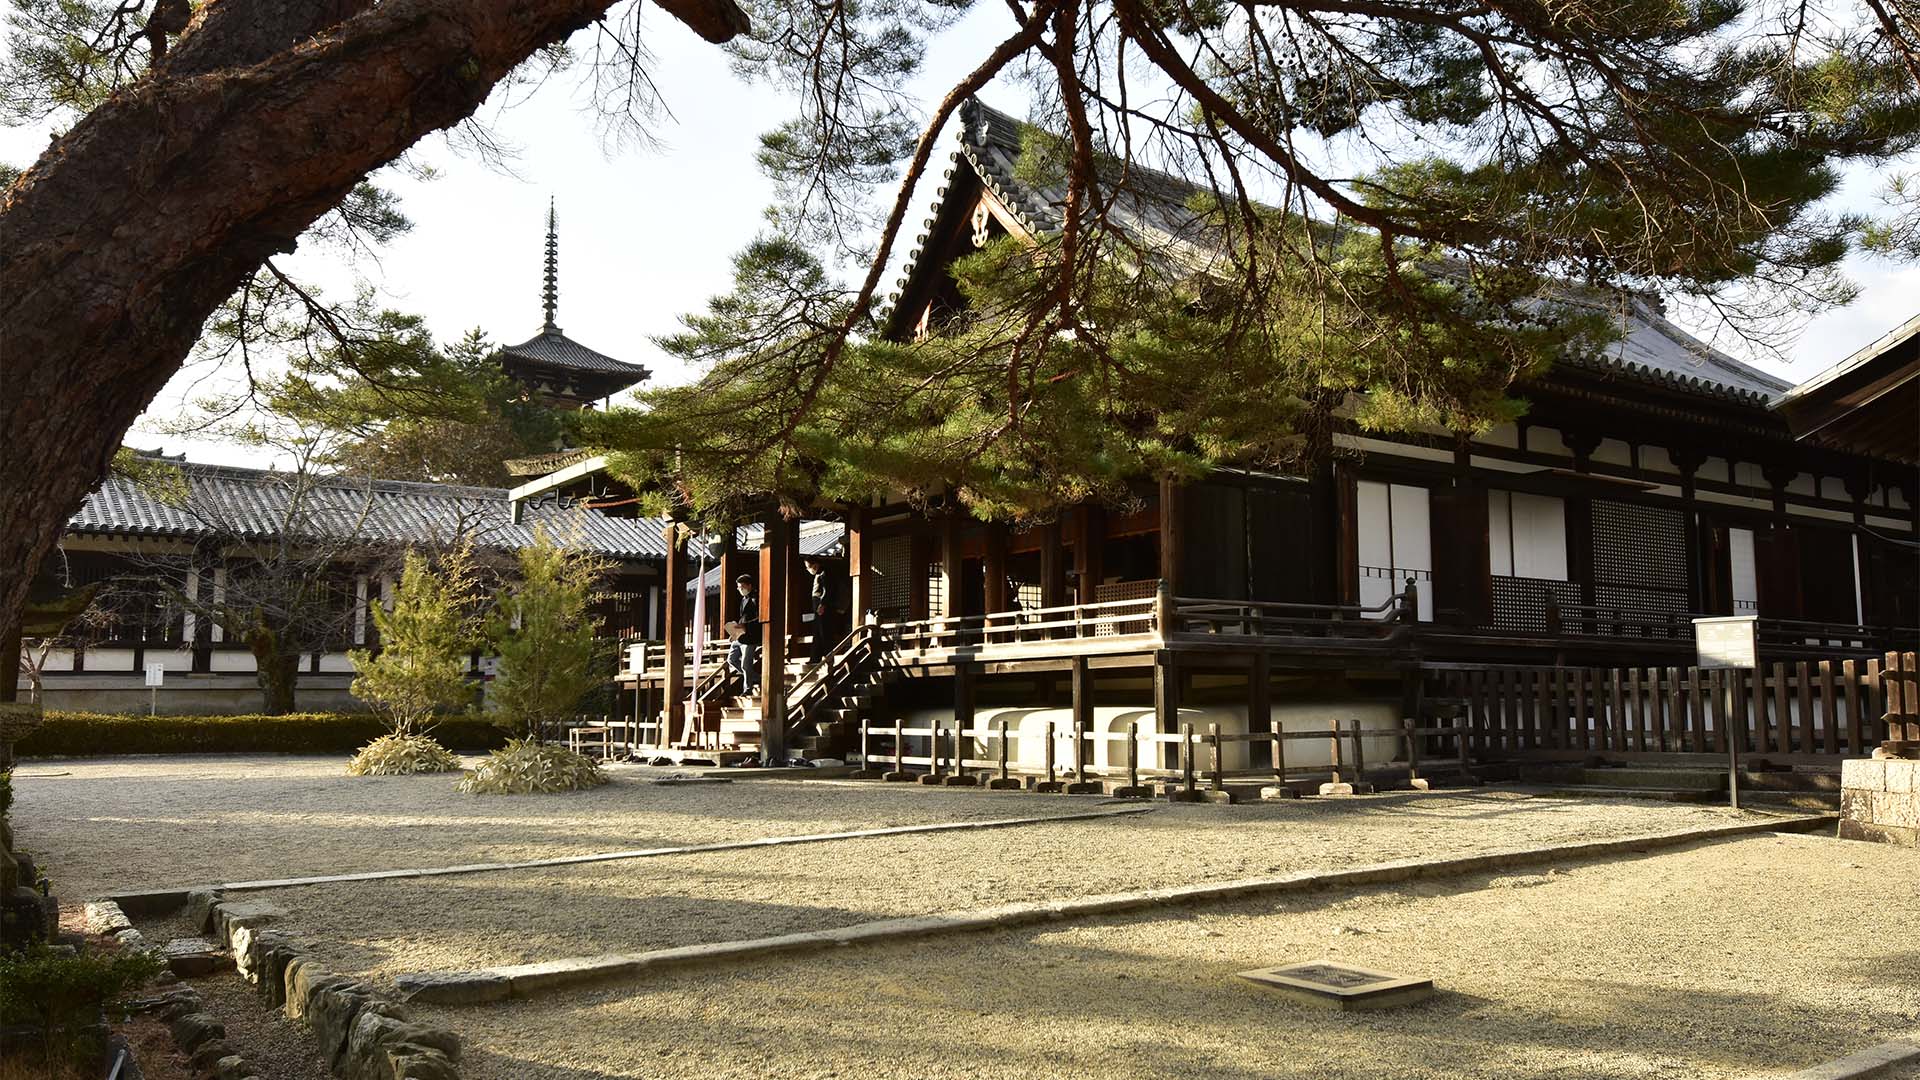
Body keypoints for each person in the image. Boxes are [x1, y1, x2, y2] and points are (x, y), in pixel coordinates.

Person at [726, 574, 760, 695]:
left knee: (746, 664)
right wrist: (734, 633)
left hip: (751, 636)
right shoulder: (743, 599)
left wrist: (745, 626)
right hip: (740, 635)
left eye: (742, 586)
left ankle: (748, 688)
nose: (740, 589)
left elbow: (759, 618)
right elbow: (742, 618)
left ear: (749, 585)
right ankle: (755, 677)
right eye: (739, 587)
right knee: (731, 659)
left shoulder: (756, 598)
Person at [804, 556, 839, 666]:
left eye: (809, 567)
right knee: (817, 633)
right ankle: (815, 657)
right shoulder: (820, 574)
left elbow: (827, 590)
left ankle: (828, 657)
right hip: (818, 607)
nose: (809, 569)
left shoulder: (825, 573)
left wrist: (822, 604)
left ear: (815, 565)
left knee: (824, 633)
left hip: (823, 607)